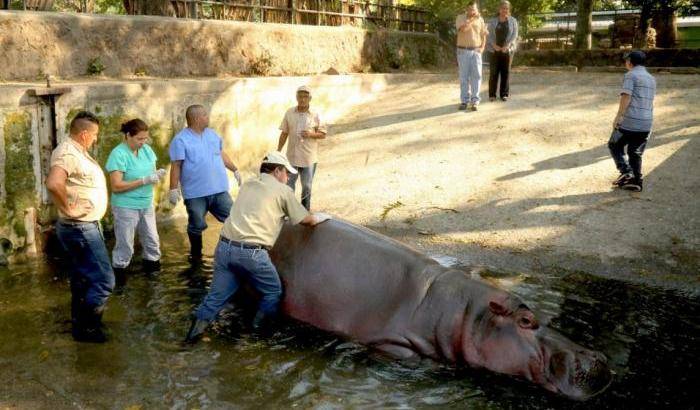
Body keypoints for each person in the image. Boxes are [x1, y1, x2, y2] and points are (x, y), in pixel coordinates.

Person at [184, 151, 331, 343]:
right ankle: (256, 336)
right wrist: (323, 216)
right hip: (251, 254)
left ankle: (189, 341)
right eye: (287, 173)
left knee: (214, 299)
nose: (288, 179)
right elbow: (307, 220)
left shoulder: (248, 185)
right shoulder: (283, 191)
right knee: (272, 292)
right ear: (278, 171)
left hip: (224, 248)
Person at [45, 111, 113, 343]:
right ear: (84, 134)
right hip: (80, 227)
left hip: (83, 226)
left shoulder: (77, 151)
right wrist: (70, 208)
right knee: (104, 281)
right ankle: (89, 328)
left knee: (83, 278)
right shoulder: (67, 153)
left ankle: (78, 326)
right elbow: (54, 183)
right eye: (94, 135)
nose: (96, 139)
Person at [168, 105, 242, 261]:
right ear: (196, 119)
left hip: (219, 190)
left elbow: (221, 154)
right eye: (205, 115)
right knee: (196, 226)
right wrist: (173, 189)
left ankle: (237, 252)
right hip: (195, 194)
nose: (208, 117)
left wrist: (235, 170)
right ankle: (196, 255)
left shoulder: (212, 135)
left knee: (234, 219)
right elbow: (176, 165)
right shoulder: (180, 140)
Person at [105, 119, 166, 284]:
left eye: (145, 138)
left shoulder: (147, 150)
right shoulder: (118, 154)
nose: (143, 142)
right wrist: (144, 180)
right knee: (125, 246)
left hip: (146, 204)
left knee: (153, 242)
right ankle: (119, 281)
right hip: (126, 206)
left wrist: (157, 177)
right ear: (128, 136)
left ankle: (152, 280)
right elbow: (116, 186)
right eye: (139, 139)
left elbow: (151, 174)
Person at [609, 50, 656, 192]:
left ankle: (626, 172)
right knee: (635, 152)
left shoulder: (630, 75)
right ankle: (636, 180)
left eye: (626, 60)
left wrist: (619, 116)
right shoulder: (651, 78)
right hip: (646, 123)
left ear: (630, 62)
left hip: (630, 121)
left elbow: (626, 97)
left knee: (614, 144)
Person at [277, 85, 327, 210]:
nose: (303, 99)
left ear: (310, 99)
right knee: (288, 186)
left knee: (307, 187)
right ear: (296, 97)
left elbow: (323, 134)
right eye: (300, 96)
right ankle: (290, 211)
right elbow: (284, 133)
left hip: (308, 159)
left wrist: (310, 134)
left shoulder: (316, 114)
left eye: (305, 97)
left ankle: (305, 212)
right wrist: (278, 150)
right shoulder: (289, 112)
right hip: (291, 158)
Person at [455, 1, 488, 112]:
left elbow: (484, 35)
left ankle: (475, 101)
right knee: (464, 77)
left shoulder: (481, 20)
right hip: (463, 51)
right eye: (470, 9)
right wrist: (472, 19)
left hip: (476, 51)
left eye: (474, 9)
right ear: (466, 9)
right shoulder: (460, 18)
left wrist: (482, 48)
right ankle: (464, 101)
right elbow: (463, 29)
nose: (472, 11)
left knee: (477, 76)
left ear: (477, 9)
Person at [486, 0, 518, 102]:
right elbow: (488, 35)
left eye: (506, 8)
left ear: (509, 10)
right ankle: (492, 95)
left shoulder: (513, 21)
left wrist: (508, 45)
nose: (505, 10)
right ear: (499, 9)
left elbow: (514, 35)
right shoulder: (492, 21)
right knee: (493, 73)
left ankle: (504, 94)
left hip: (507, 50)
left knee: (505, 72)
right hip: (494, 50)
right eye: (503, 8)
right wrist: (494, 45)